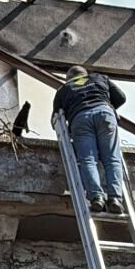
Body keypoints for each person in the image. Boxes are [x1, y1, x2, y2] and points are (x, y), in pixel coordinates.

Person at [53, 65, 128, 214]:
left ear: (69, 78)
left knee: (88, 159)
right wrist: (107, 105)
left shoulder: (64, 89)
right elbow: (121, 98)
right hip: (105, 114)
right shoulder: (99, 78)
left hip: (80, 119)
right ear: (85, 74)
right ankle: (114, 199)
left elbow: (56, 119)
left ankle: (97, 198)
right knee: (112, 159)